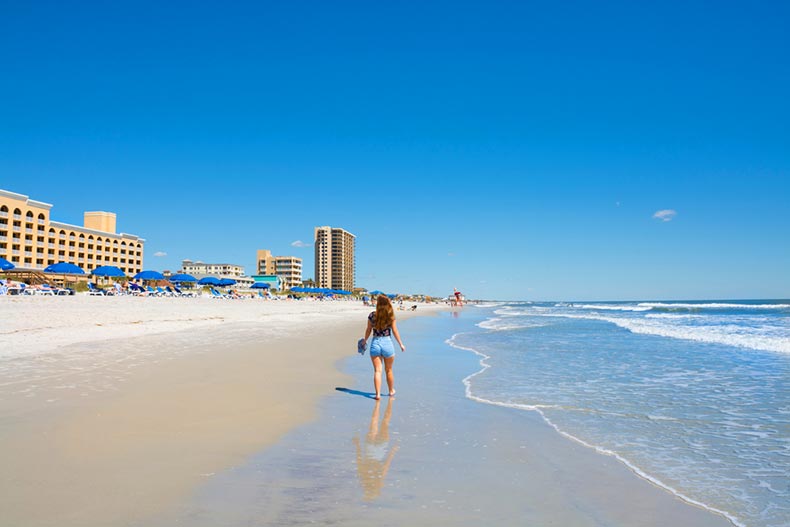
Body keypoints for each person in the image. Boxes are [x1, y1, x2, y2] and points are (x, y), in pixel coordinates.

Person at [362, 295, 406, 400]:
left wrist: (365, 340)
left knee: (378, 370)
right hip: (387, 343)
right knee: (389, 370)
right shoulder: (390, 315)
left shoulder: (372, 315)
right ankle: (391, 391)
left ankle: (377, 394)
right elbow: (395, 331)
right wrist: (401, 344)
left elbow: (368, 329)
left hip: (375, 343)